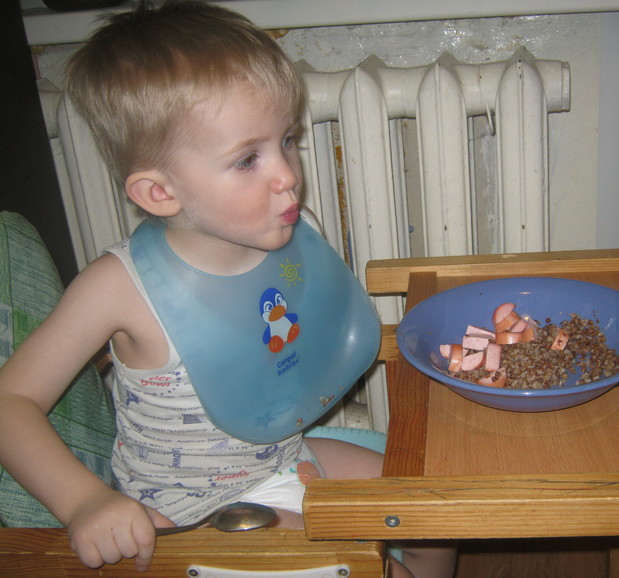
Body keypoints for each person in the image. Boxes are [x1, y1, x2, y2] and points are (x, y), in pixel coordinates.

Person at [0, 2, 455, 576]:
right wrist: (84, 501)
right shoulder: (119, 288)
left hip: (286, 456)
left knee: (437, 512)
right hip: (192, 515)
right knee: (368, 566)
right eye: (247, 160)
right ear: (160, 193)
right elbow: (10, 403)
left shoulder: (294, 233)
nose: (287, 174)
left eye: (286, 139)